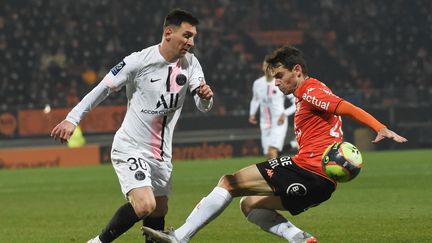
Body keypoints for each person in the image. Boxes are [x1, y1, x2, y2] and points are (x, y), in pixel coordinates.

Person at [142, 45, 407, 243]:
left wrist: (380, 128)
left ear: (297, 71)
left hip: (308, 168)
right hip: (323, 184)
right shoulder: (310, 93)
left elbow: (345, 107)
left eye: (280, 76)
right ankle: (301, 239)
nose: (277, 83)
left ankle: (181, 237)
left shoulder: (310, 90)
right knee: (250, 204)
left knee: (229, 182)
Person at [50, 9, 214, 243]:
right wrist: (72, 118)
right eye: (187, 35)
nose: (191, 42)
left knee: (159, 209)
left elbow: (202, 104)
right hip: (131, 147)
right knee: (146, 204)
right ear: (168, 33)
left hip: (161, 155)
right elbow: (103, 88)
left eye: (194, 37)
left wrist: (205, 97)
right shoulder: (138, 61)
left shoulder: (191, 64)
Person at [249, 58, 297, 159]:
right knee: (268, 155)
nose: (266, 68)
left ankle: (277, 174)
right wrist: (252, 114)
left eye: (269, 67)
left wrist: (285, 113)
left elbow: (295, 102)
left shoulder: (280, 82)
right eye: (264, 66)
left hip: (278, 122)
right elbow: (255, 99)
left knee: (272, 150)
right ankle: (277, 173)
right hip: (264, 123)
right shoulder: (258, 83)